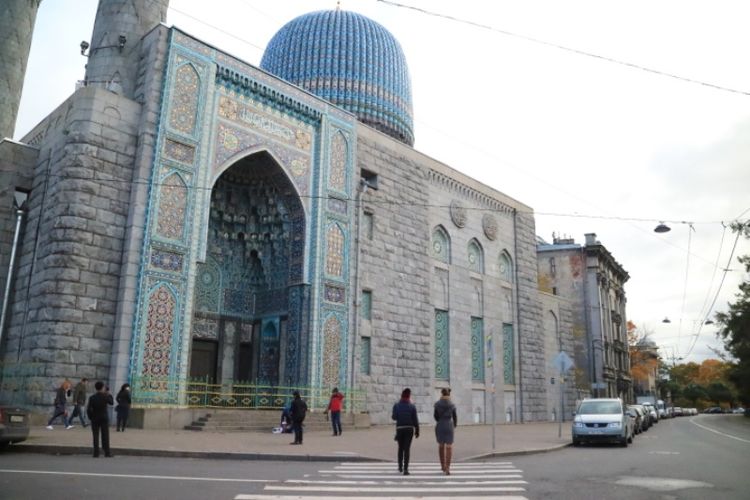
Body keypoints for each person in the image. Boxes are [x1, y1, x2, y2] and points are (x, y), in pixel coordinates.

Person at [392, 387, 419, 475]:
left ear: (401, 396)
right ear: (409, 396)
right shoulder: (412, 406)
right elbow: (415, 420)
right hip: (409, 429)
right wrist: (417, 430)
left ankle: (400, 466)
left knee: (400, 448)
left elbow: (394, 417)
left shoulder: (396, 405)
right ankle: (406, 469)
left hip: (400, 429)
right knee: (407, 449)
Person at [86, 381, 114, 458]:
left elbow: (88, 409)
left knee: (95, 435)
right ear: (102, 388)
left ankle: (96, 453)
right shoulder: (105, 396)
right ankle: (107, 452)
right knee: (105, 435)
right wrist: (108, 393)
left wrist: (91, 417)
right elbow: (111, 402)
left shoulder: (92, 397)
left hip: (95, 418)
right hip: (104, 418)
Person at [434, 387, 457, 475]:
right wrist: (454, 425)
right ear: (449, 394)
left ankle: (442, 466)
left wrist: (440, 421)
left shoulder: (437, 404)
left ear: (442, 394)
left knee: (441, 445)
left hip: (440, 425)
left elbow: (435, 416)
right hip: (449, 425)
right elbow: (455, 417)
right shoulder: (452, 404)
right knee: (449, 446)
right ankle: (448, 468)